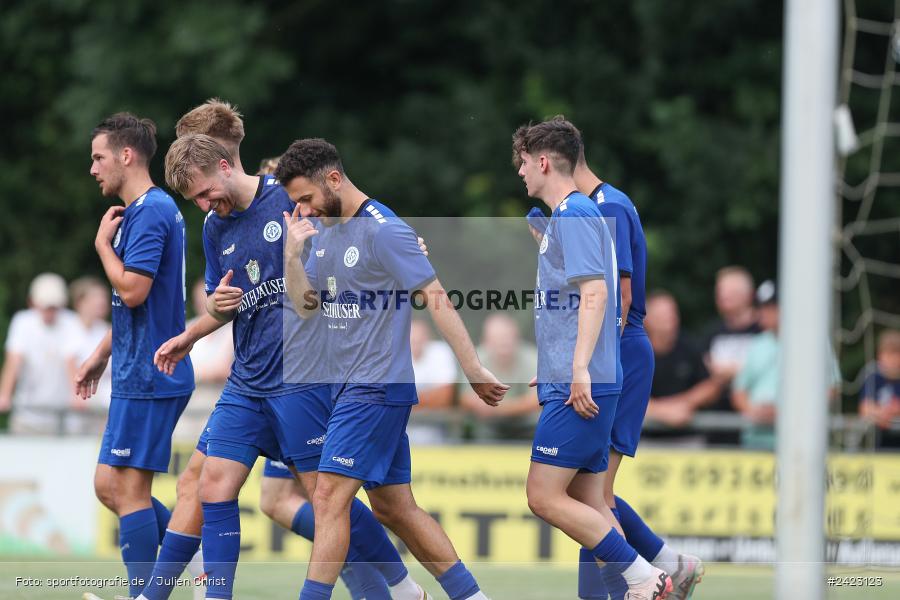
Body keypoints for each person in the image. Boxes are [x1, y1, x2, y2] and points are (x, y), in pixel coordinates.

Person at [146, 100, 408, 600]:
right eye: (195, 199)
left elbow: (347, 242)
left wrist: (406, 244)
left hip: (302, 379)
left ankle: (396, 588)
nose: (204, 204)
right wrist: (212, 312)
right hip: (248, 379)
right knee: (211, 484)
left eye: (205, 193)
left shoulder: (287, 201)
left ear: (224, 162)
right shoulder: (213, 224)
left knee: (327, 499)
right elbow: (229, 299)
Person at [278, 137, 507, 600]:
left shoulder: (385, 230)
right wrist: (291, 257)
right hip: (349, 390)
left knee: (326, 498)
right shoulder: (324, 234)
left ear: (335, 179)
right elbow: (306, 308)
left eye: (306, 198)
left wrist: (473, 367)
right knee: (395, 509)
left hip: (374, 387)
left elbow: (437, 299)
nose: (304, 210)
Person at [518, 118, 700, 600]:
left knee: (557, 495)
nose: (518, 172)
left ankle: (645, 576)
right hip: (592, 363)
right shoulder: (576, 211)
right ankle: (661, 566)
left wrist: (583, 366)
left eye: (521, 161)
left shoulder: (593, 208)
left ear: (542, 160)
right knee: (591, 496)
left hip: (611, 358)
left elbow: (608, 295)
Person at [75, 113, 194, 599]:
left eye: (99, 157)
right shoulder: (147, 209)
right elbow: (133, 305)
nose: (93, 168)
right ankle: (191, 545)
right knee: (110, 485)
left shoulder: (148, 211)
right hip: (134, 370)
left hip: (152, 372)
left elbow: (134, 290)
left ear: (127, 155)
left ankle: (145, 593)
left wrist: (102, 246)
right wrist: (101, 354)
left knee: (126, 491)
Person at [0, 273, 80, 434]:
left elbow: (71, 359)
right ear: (32, 302)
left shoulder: (71, 322)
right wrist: (5, 394)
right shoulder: (22, 322)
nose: (50, 312)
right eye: (46, 307)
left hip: (62, 414)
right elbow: (14, 360)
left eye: (54, 307)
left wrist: (76, 395)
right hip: (26, 413)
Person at [643, 291, 720, 444]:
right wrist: (663, 412)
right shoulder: (635, 351)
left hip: (688, 438)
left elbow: (711, 386)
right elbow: (625, 396)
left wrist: (684, 403)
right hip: (644, 440)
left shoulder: (690, 346)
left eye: (672, 312)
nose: (670, 318)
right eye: (663, 314)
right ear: (647, 319)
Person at [459, 313, 540, 440]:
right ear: (486, 341)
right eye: (497, 338)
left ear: (516, 337)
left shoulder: (532, 357)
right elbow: (465, 398)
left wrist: (497, 410)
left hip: (528, 426)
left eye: (507, 336)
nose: (503, 342)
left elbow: (537, 400)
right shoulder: (475, 359)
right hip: (488, 427)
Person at [731, 281, 780, 450]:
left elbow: (831, 389)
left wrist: (785, 413)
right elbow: (739, 392)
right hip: (756, 441)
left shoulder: (814, 343)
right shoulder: (756, 345)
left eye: (771, 307)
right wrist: (754, 412)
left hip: (799, 438)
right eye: (761, 307)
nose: (764, 313)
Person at [65, 276, 112, 434]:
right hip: (78, 404)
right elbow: (69, 360)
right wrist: (76, 395)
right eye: (95, 297)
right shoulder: (69, 326)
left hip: (103, 405)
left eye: (103, 297)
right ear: (80, 302)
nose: (101, 302)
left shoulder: (106, 329)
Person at [409, 318, 457, 444]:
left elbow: (446, 396)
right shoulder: (391, 355)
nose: (416, 344)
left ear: (427, 338)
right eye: (412, 340)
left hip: (438, 433)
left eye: (420, 340)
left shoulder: (441, 352)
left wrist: (404, 400)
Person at [858, 329, 900, 448]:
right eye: (889, 354)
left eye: (897, 354)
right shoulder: (872, 376)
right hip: (877, 444)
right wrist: (883, 413)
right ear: (880, 355)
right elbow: (865, 409)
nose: (894, 360)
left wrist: (895, 410)